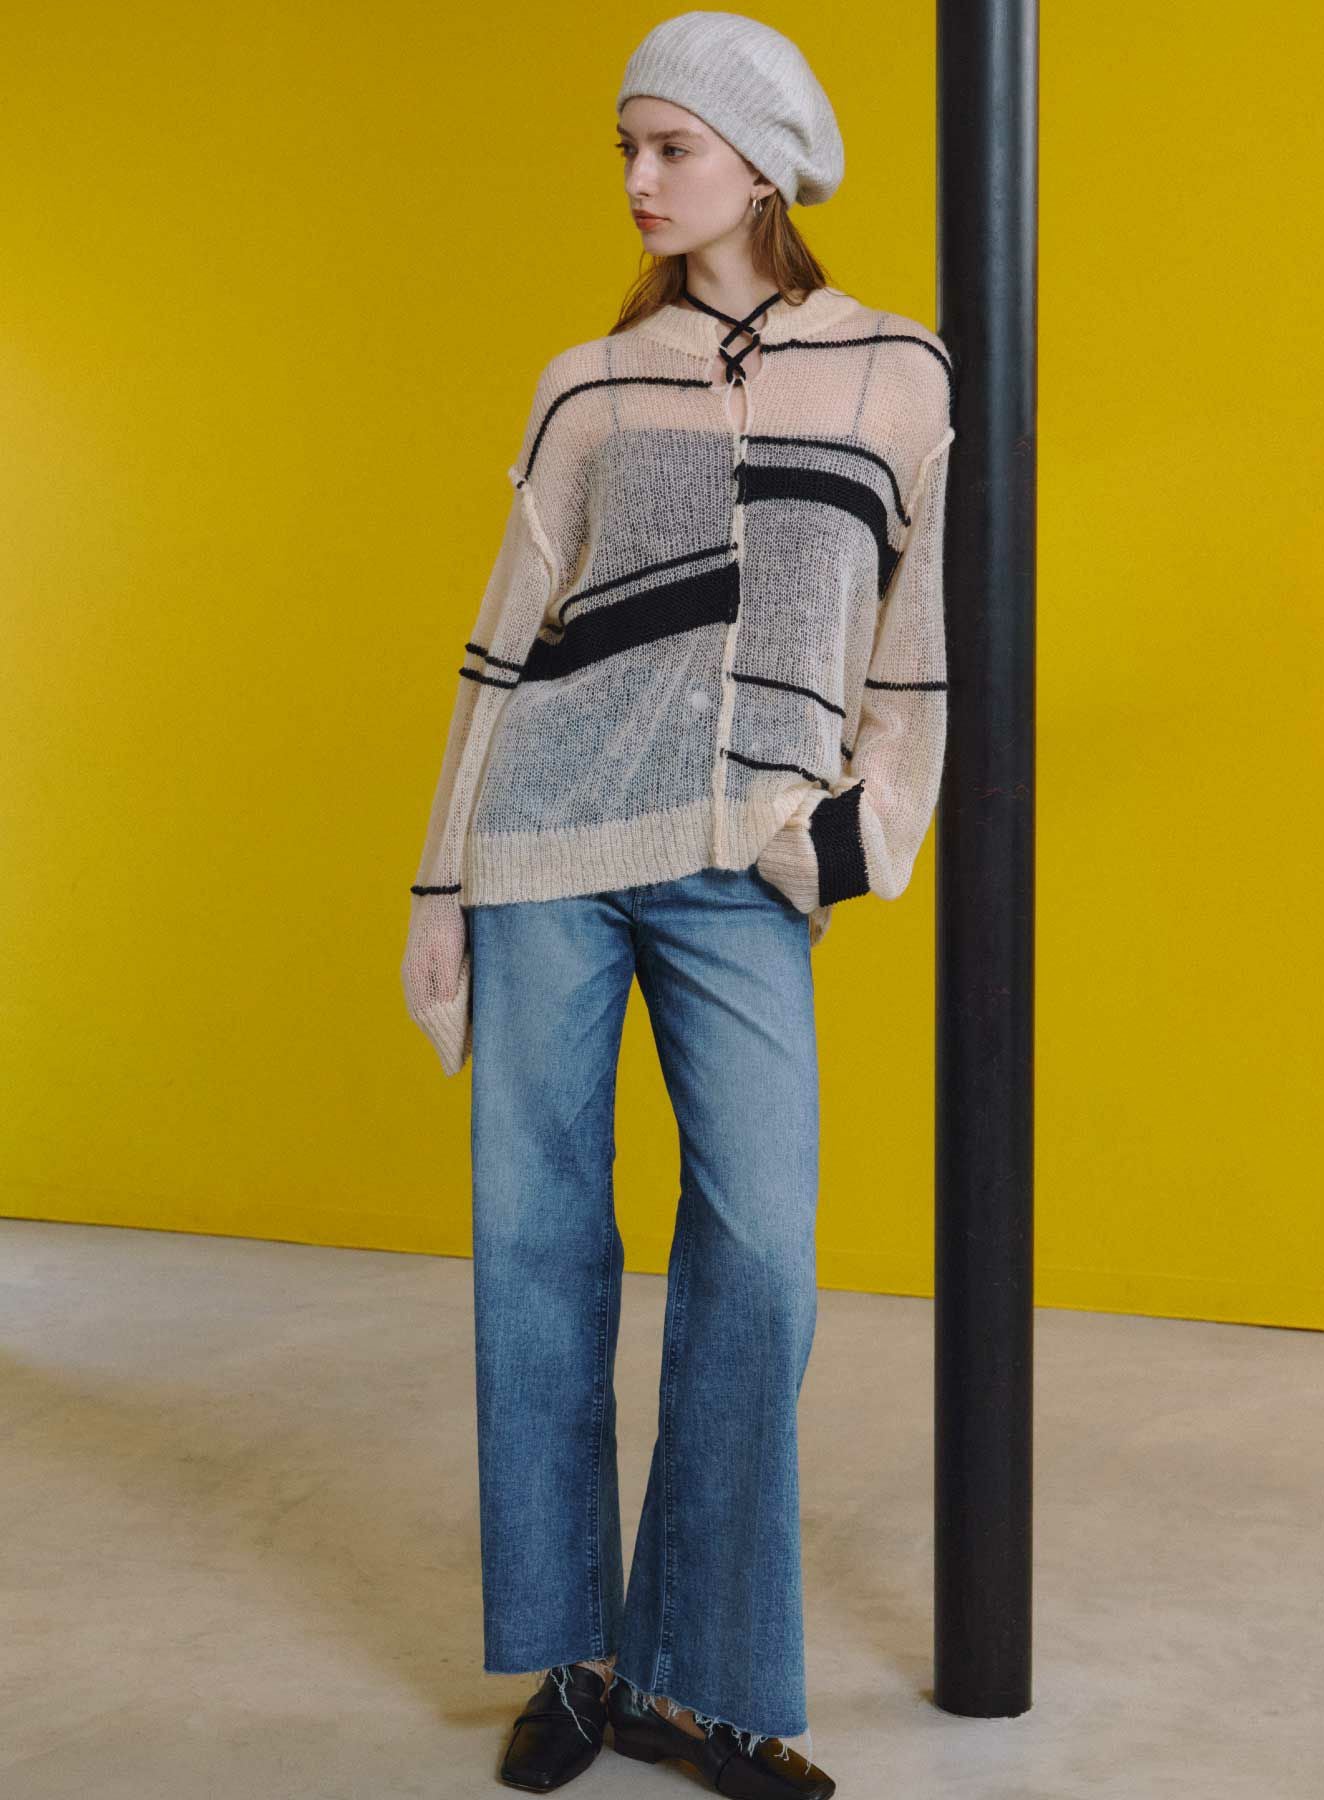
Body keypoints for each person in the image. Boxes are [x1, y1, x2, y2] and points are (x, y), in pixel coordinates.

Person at [400, 11, 956, 1795]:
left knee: (764, 1257)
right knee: (536, 1249)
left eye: (672, 147)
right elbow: (504, 645)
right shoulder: (590, 381)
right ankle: (580, 1664)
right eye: (627, 151)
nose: (639, 180)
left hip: (741, 868)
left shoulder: (894, 373)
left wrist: (847, 843)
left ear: (763, 162)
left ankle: (700, 1679)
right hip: (547, 849)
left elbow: (915, 651)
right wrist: (440, 881)